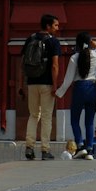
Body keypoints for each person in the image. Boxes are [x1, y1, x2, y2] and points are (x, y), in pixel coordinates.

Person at [56, 31, 96, 158]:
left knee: (74, 120)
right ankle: (90, 150)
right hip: (93, 88)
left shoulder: (74, 58)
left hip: (79, 89)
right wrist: (92, 42)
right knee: (90, 122)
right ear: (89, 42)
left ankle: (80, 145)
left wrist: (58, 93)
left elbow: (68, 80)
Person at [22, 12, 62, 161]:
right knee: (46, 117)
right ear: (48, 26)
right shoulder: (53, 42)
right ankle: (45, 150)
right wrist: (55, 85)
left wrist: (22, 83)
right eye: (55, 25)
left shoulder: (30, 39)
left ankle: (29, 147)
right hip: (47, 84)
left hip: (32, 82)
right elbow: (55, 66)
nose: (57, 28)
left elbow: (23, 64)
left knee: (33, 115)